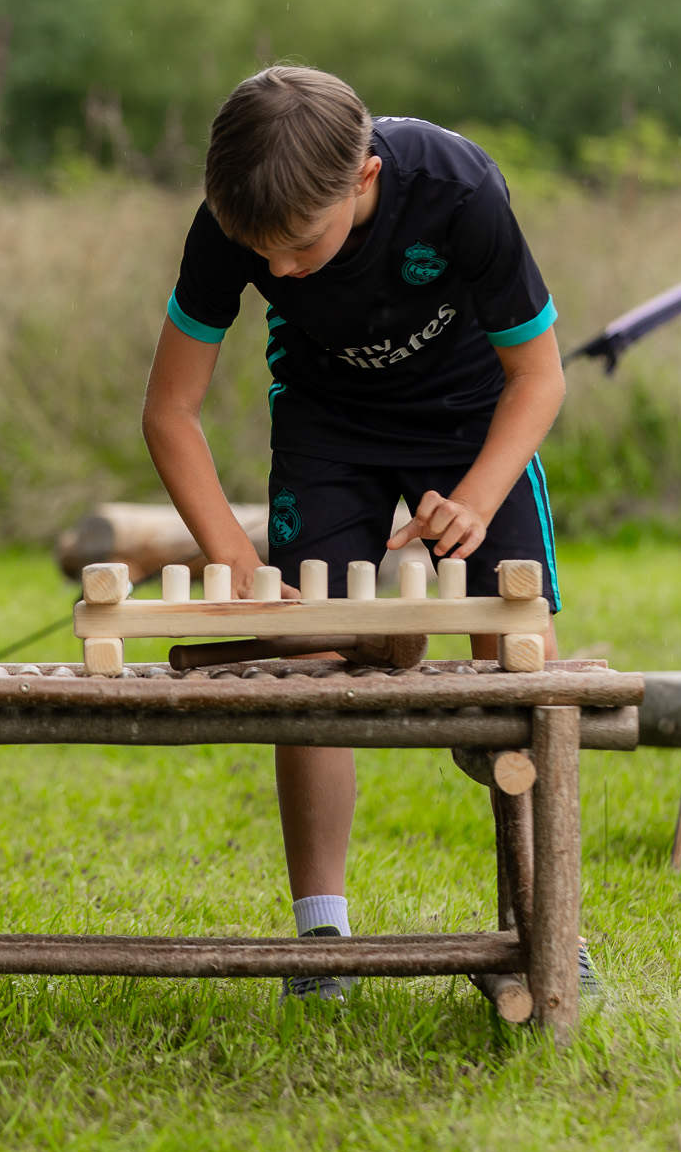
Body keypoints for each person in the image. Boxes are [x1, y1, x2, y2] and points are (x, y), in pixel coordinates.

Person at [140, 65, 595, 1002]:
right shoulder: (233, 218)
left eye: (301, 247)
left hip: (471, 415)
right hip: (327, 423)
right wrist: (235, 557)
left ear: (366, 179)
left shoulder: (458, 189)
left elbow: (539, 375)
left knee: (522, 660)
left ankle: (545, 925)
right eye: (261, 255)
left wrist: (474, 499)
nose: (281, 273)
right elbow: (169, 412)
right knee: (307, 662)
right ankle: (323, 940)